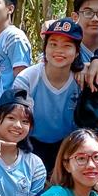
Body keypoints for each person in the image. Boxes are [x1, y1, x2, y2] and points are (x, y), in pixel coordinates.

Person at [12, 18, 86, 173]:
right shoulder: (27, 78)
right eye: (53, 44)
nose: (59, 50)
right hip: (30, 143)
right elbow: (15, 120)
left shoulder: (81, 80)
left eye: (67, 46)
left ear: (77, 52)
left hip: (69, 146)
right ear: (45, 48)